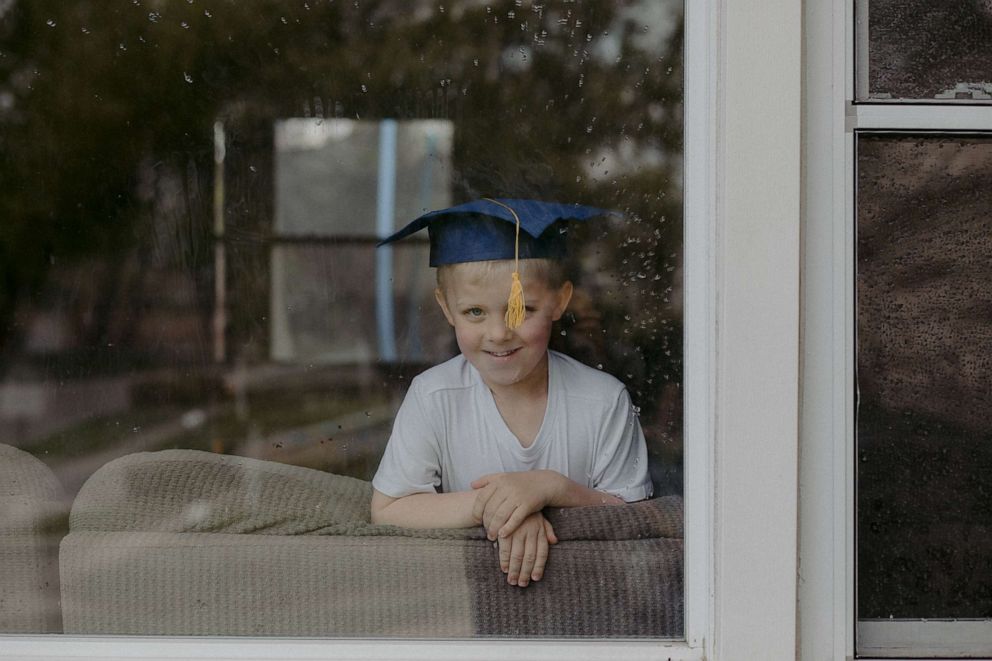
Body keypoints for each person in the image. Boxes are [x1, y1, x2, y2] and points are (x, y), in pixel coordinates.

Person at [370, 198, 652, 588]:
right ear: (446, 308)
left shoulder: (603, 401)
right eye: (474, 312)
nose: (499, 333)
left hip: (592, 594)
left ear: (560, 301)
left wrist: (551, 488)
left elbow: (635, 520)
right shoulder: (434, 396)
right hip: (462, 599)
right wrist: (505, 506)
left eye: (521, 309)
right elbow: (389, 509)